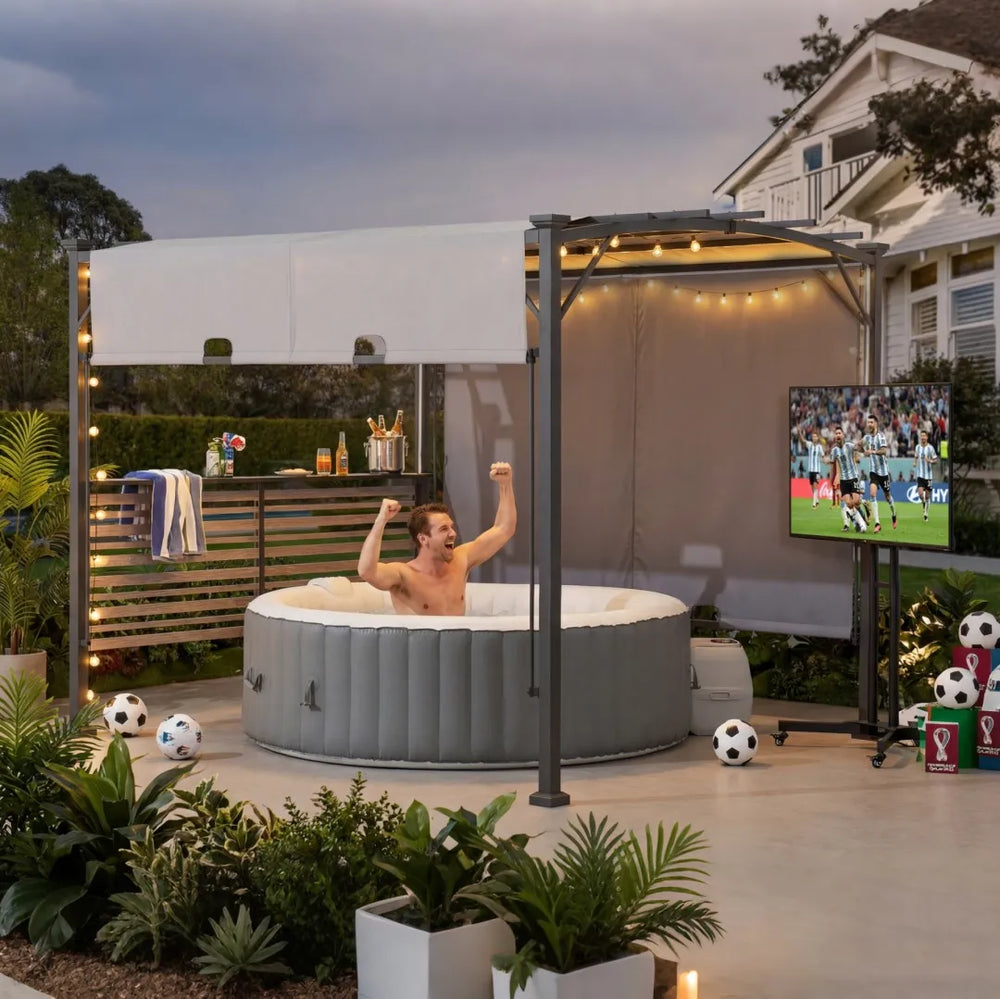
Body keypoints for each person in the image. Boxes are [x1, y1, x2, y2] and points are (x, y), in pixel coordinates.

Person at [358, 462, 516, 615]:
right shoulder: (404, 576)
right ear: (423, 539)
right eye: (443, 529)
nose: (453, 533)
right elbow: (366, 572)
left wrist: (505, 484)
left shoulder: (461, 561)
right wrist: (381, 520)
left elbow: (504, 529)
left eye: (451, 527)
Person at [826, 425, 867, 533]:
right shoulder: (834, 451)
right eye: (836, 433)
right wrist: (832, 479)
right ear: (835, 437)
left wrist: (860, 446)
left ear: (843, 435)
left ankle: (861, 520)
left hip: (853, 478)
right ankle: (860, 523)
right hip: (843, 480)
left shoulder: (849, 446)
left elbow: (860, 450)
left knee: (856, 501)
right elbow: (832, 466)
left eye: (840, 433)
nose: (838, 435)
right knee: (849, 504)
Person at [861, 415, 897, 533]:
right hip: (874, 472)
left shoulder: (880, 436)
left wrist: (872, 451)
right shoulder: (867, 438)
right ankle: (877, 523)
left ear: (876, 424)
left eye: (871, 422)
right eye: (868, 422)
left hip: (884, 473)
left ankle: (894, 514)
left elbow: (884, 450)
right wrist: (857, 449)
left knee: (888, 496)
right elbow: (858, 445)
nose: (869, 424)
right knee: (872, 494)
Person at [797, 426, 825, 509]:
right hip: (810, 470)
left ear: (817, 438)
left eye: (815, 436)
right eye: (813, 437)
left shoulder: (820, 447)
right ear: (812, 438)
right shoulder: (809, 445)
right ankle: (816, 500)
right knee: (812, 486)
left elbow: (823, 456)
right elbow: (802, 440)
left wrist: (825, 460)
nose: (814, 438)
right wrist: (799, 432)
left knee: (815, 485)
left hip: (817, 470)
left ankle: (814, 504)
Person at [913, 431, 938, 522]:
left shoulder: (930, 448)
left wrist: (930, 461)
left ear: (927, 437)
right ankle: (923, 503)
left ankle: (926, 513)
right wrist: (915, 462)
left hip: (929, 476)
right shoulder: (917, 447)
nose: (923, 437)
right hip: (920, 475)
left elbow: (935, 460)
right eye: (921, 436)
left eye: (924, 436)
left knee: (927, 496)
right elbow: (916, 456)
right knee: (920, 494)